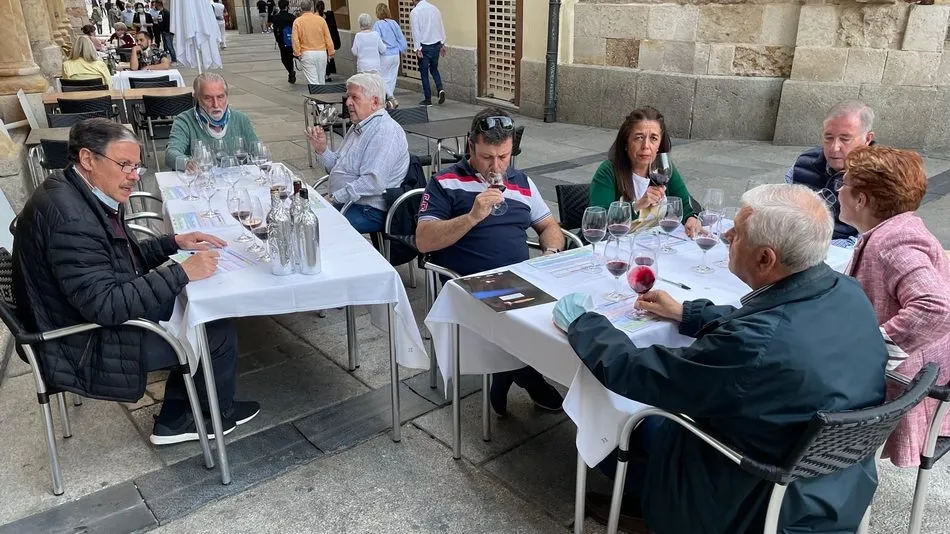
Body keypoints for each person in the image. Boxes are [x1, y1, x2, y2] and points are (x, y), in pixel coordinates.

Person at [557, 183, 886, 533]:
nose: (727, 235)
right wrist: (689, 313)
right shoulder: (847, 292)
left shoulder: (752, 345)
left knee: (619, 414)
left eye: (739, 232)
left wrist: (584, 324)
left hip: (749, 497)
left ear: (765, 258)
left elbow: (641, 373)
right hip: (836, 485)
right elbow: (777, 324)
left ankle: (647, 502)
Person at [11, 119, 261, 445]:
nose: (133, 175)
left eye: (137, 166)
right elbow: (107, 305)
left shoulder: (73, 191)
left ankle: (177, 413)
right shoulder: (72, 217)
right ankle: (213, 417)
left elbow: (115, 258)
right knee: (213, 326)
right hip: (78, 343)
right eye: (125, 165)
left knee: (191, 306)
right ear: (87, 159)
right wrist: (181, 272)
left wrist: (173, 243)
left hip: (73, 314)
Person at [416, 107, 566, 415]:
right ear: (471, 146)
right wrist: (472, 217)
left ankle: (506, 375)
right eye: (487, 157)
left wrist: (549, 255)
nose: (496, 167)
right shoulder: (445, 183)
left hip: (523, 280)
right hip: (469, 286)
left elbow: (550, 227)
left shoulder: (522, 182)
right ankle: (527, 376)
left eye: (504, 157)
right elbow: (424, 239)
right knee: (529, 324)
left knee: (568, 315)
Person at [837, 146, 950, 468]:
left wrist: (875, 348)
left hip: (903, 388)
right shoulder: (898, 229)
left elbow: (938, 307)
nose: (838, 190)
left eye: (844, 184)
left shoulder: (894, 242)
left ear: (862, 200)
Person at [304, 73, 408, 234]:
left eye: (354, 97)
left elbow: (373, 182)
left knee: (312, 224)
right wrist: (322, 149)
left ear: (374, 102)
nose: (348, 102)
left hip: (370, 210)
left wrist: (333, 198)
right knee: (300, 212)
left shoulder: (385, 131)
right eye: (348, 97)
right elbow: (337, 166)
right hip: (349, 202)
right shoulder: (359, 126)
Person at [590, 107, 702, 236]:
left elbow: (685, 203)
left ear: (659, 145)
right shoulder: (608, 171)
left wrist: (692, 218)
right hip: (608, 246)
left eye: (653, 138)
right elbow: (597, 222)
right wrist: (638, 205)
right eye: (638, 138)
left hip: (647, 246)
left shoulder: (663, 169)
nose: (646, 146)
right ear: (626, 142)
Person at [785, 101, 875, 248]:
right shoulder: (803, 164)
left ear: (867, 139)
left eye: (845, 139)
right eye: (828, 138)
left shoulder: (880, 178)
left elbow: (869, 240)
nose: (834, 147)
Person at [165, 73, 261, 170]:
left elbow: (259, 153)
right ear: (197, 98)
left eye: (220, 97)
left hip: (235, 181)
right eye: (208, 98)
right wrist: (186, 163)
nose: (215, 104)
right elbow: (171, 153)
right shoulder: (184, 121)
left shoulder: (241, 119)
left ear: (227, 96)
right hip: (201, 181)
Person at [410, 0, 446, 106]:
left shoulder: (415, 12)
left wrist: (417, 49)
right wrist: (443, 43)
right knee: (434, 69)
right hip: (436, 44)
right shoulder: (435, 9)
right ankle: (440, 89)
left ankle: (428, 99)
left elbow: (415, 31)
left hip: (424, 46)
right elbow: (440, 26)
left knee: (424, 73)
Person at [292, 0, 335, 85]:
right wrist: (331, 51)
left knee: (313, 81)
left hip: (307, 53)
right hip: (321, 52)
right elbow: (328, 37)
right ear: (312, 8)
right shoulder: (321, 20)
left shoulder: (298, 21)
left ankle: (315, 97)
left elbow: (295, 39)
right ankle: (322, 96)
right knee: (321, 80)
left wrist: (297, 53)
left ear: (301, 9)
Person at [374, 3, 406, 109]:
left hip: (385, 55)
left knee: (381, 77)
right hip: (396, 54)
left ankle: (390, 97)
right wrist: (403, 50)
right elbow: (400, 38)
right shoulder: (394, 23)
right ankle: (390, 101)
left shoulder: (378, 25)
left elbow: (377, 40)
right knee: (392, 78)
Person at [315, 1, 341, 82]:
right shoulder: (327, 16)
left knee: (321, 59)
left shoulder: (315, 17)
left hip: (318, 41)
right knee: (327, 58)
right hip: (326, 40)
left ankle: (323, 74)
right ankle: (327, 74)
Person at [272, 0, 297, 84]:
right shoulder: (292, 17)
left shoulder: (276, 17)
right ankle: (291, 73)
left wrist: (278, 40)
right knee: (291, 57)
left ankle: (290, 71)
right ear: (287, 6)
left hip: (283, 42)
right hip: (293, 42)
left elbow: (275, 31)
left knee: (285, 59)